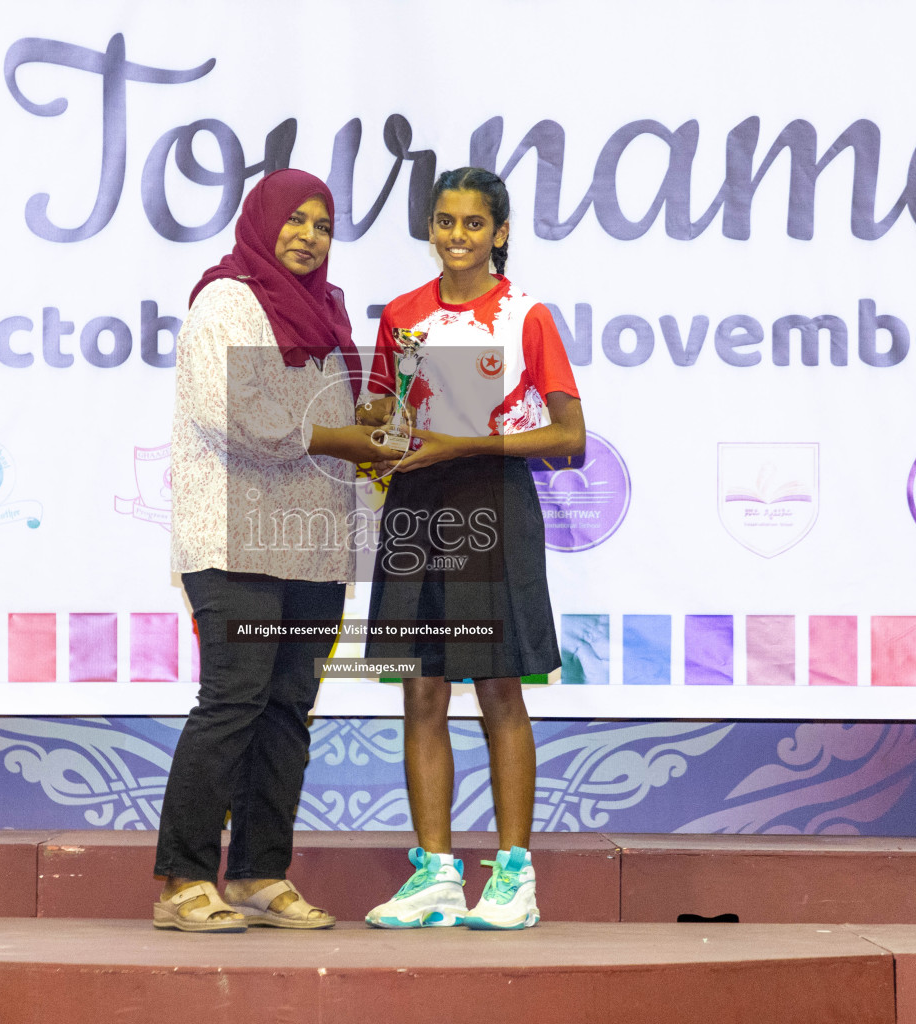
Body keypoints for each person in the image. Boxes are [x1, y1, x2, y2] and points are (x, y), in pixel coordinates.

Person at [155, 169, 391, 932]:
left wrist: (382, 431)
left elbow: (344, 414)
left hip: (314, 543)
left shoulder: (326, 312)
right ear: (262, 222)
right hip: (233, 537)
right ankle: (183, 880)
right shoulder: (226, 301)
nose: (308, 235)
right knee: (233, 702)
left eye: (323, 224)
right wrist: (343, 436)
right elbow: (237, 415)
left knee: (288, 709)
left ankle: (260, 872)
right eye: (295, 219)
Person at [357, 167, 585, 930]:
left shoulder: (526, 316)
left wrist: (471, 442)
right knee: (421, 691)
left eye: (472, 223)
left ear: (500, 232)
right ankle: (435, 875)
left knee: (496, 688)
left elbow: (570, 436)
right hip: (416, 506)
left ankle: (513, 879)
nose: (457, 236)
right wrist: (371, 436)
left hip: (491, 500)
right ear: (430, 229)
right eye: (444, 221)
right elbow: (382, 414)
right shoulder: (401, 316)